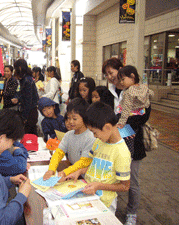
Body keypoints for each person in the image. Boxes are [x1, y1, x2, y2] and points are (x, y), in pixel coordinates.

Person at [102, 58, 151, 225]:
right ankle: (110, 206)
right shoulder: (107, 92)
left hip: (133, 141)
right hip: (113, 142)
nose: (109, 76)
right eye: (107, 74)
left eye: (111, 72)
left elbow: (144, 115)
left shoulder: (138, 90)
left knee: (132, 180)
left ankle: (132, 213)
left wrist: (122, 120)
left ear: (121, 71)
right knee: (112, 175)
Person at [65, 101, 131, 214]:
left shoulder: (121, 153)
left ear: (107, 127)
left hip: (105, 203)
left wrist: (99, 185)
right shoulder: (98, 142)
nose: (94, 136)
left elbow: (125, 186)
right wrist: (79, 171)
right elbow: (91, 164)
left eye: (95, 132)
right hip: (89, 195)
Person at [43, 98, 96, 181]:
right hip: (74, 174)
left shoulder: (91, 137)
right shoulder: (69, 135)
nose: (71, 122)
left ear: (84, 117)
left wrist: (65, 172)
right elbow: (58, 153)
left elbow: (83, 162)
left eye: (74, 119)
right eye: (68, 118)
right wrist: (51, 169)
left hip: (87, 178)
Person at [12, 59, 39, 135]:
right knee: (32, 135)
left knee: (28, 136)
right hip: (31, 112)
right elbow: (22, 94)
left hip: (30, 113)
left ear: (19, 68)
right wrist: (18, 98)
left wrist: (24, 117)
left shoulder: (27, 80)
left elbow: (28, 101)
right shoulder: (25, 79)